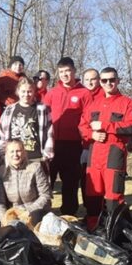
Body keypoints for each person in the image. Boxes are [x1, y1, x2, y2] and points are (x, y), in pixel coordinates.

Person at [79, 67, 132, 231]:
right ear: (100, 82)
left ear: (118, 81)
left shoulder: (128, 103)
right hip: (94, 154)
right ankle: (93, 228)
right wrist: (92, 134)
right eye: (104, 80)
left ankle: (115, 230)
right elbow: (82, 126)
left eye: (112, 80)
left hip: (114, 153)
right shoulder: (93, 104)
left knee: (113, 196)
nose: (108, 83)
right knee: (92, 195)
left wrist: (106, 126)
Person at [43, 57, 86, 215]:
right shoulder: (52, 93)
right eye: (61, 72)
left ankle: (69, 214)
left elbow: (87, 118)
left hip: (73, 145)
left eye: (68, 71)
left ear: (74, 71)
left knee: (70, 183)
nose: (65, 75)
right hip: (52, 144)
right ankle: (44, 213)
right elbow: (43, 116)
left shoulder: (84, 93)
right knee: (47, 181)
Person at [0, 76, 54, 162]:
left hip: (36, 158)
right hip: (14, 158)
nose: (26, 95)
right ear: (18, 91)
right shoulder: (9, 110)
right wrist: (0, 153)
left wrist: (47, 154)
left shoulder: (42, 109)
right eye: (23, 91)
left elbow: (49, 132)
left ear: (34, 92)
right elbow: (1, 134)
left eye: (29, 91)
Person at [0, 139, 52, 225]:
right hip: (14, 214)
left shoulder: (35, 167)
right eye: (12, 152)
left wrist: (27, 212)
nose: (15, 155)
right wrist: (5, 219)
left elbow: (45, 195)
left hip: (35, 211)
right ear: (6, 154)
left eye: (18, 151)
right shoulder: (0, 172)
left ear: (24, 152)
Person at [79, 68, 102, 216]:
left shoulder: (103, 96)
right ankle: (90, 211)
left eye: (93, 79)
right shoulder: (82, 94)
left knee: (100, 179)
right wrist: (89, 134)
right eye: (87, 80)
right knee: (86, 179)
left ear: (98, 79)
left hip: (102, 147)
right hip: (85, 145)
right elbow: (82, 124)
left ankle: (101, 210)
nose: (90, 82)